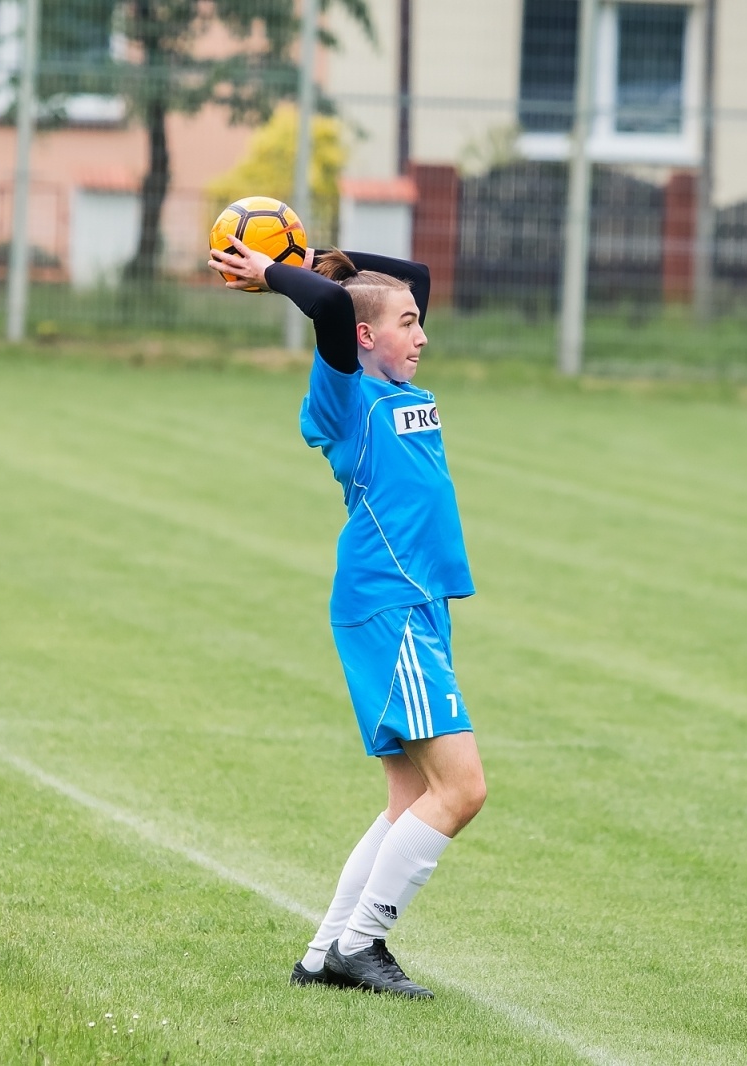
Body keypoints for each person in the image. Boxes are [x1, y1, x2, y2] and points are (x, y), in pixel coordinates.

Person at [208, 239, 487, 998]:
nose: (422, 332)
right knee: (461, 790)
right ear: (367, 339)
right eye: (406, 323)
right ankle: (361, 945)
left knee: (409, 800)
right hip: (387, 601)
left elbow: (414, 276)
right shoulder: (345, 395)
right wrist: (273, 274)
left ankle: (323, 952)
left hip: (418, 601)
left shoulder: (395, 380)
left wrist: (325, 249)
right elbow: (332, 308)